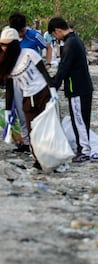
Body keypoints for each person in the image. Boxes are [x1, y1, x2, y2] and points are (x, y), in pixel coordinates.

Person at [0, 27, 56, 170]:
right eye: (2, 44)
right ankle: (39, 161)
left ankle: (52, 158)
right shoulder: (7, 63)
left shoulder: (29, 53)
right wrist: (8, 111)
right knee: (32, 129)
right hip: (27, 97)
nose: (4, 48)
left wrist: (53, 90)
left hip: (42, 93)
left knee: (46, 127)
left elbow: (44, 72)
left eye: (7, 45)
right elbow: (10, 89)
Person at [47, 17, 93, 163]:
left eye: (55, 35)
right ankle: (83, 148)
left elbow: (64, 67)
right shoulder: (75, 39)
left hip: (77, 89)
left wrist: (54, 83)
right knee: (82, 120)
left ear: (58, 30)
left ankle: (84, 151)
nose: (56, 38)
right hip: (83, 87)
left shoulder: (70, 44)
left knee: (79, 120)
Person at [8, 12, 53, 153]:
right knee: (20, 110)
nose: (21, 34)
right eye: (18, 32)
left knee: (34, 110)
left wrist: (49, 63)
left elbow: (48, 47)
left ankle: (39, 140)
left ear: (25, 27)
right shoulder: (8, 37)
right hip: (15, 78)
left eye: (22, 31)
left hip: (33, 79)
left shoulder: (33, 35)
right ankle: (26, 142)